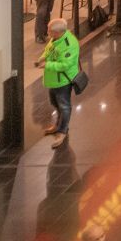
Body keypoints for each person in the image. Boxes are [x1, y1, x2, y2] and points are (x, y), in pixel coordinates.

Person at [41, 18, 78, 148]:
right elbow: (48, 50)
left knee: (65, 106)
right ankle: (58, 124)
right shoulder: (55, 39)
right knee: (55, 103)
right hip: (53, 79)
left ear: (58, 33)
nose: (47, 32)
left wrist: (47, 64)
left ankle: (62, 130)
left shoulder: (69, 44)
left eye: (49, 31)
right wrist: (43, 57)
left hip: (63, 80)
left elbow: (65, 65)